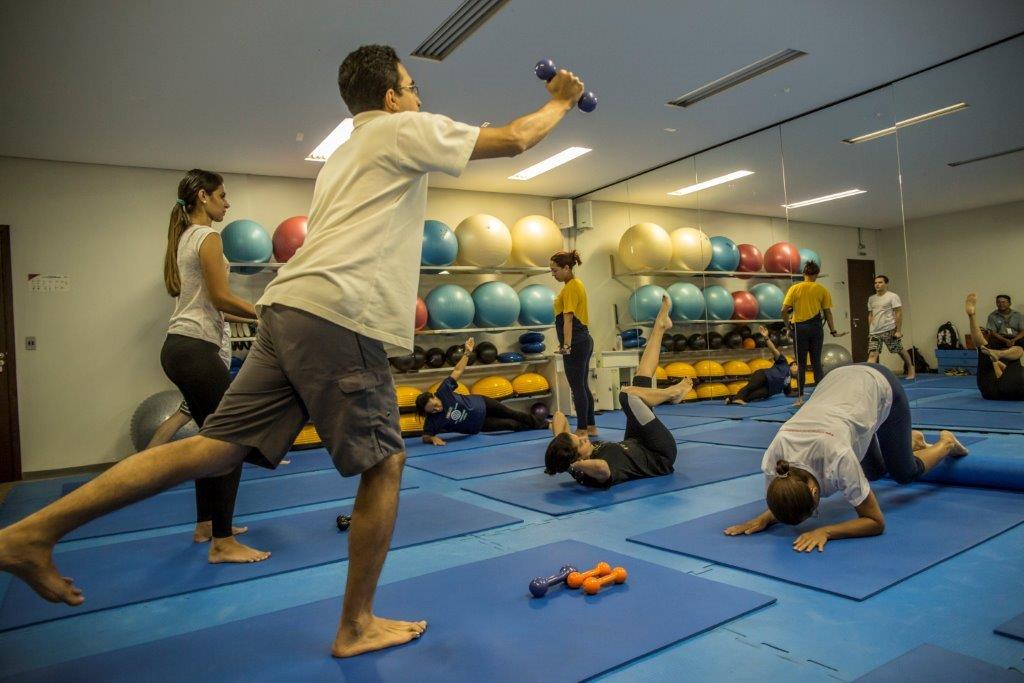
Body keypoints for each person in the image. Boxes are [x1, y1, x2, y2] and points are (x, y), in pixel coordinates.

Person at [0, 45, 584, 658]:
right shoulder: (401, 129)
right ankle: (356, 624)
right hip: (337, 315)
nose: (418, 99)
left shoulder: (343, 155)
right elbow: (517, 139)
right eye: (412, 88)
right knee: (385, 464)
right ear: (390, 98)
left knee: (211, 447)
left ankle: (35, 531)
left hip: (287, 309)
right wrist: (561, 102)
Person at [723, 363, 969, 552]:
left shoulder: (837, 457)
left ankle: (945, 443)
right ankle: (908, 441)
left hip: (879, 384)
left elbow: (875, 521)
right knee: (873, 472)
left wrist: (826, 531)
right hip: (840, 387)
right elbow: (785, 494)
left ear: (814, 493)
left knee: (903, 473)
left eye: (813, 512)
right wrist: (764, 519)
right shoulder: (776, 459)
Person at [161, 170, 268, 563]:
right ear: (203, 197)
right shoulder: (207, 237)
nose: (228, 203)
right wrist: (263, 311)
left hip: (181, 348)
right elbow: (221, 298)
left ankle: (207, 524)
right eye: (223, 196)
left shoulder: (186, 237)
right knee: (230, 440)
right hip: (192, 349)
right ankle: (223, 542)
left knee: (210, 438)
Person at [544, 296, 690, 488]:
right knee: (627, 395)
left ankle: (660, 326)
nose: (583, 437)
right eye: (580, 443)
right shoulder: (592, 472)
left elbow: (559, 416)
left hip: (635, 440)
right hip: (658, 454)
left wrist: (560, 440)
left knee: (639, 381)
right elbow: (603, 469)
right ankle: (672, 393)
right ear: (577, 459)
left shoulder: (574, 457)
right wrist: (575, 465)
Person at [415, 337, 545, 446]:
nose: (436, 409)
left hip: (482, 403)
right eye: (432, 410)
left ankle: (544, 424)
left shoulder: (443, 391)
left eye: (435, 405)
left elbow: (457, 371)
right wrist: (432, 439)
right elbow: (426, 436)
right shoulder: (432, 421)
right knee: (510, 424)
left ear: (435, 397)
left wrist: (466, 352)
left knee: (513, 413)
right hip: (479, 424)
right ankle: (535, 426)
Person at [781, 261, 846, 406]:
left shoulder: (794, 288)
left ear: (804, 273)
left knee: (801, 364)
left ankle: (799, 398)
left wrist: (788, 327)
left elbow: (783, 311)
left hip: (800, 329)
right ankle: (822, 398)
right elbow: (828, 312)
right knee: (816, 363)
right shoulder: (822, 289)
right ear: (816, 275)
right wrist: (833, 331)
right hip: (816, 328)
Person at [550, 250, 595, 437]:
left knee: (578, 387)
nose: (553, 274)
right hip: (582, 340)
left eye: (555, 270)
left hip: (576, 342)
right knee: (582, 386)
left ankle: (582, 430)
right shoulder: (575, 284)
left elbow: (568, 320)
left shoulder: (570, 288)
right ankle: (591, 427)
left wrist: (566, 346)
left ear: (567, 268)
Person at [965, 293, 1024, 400]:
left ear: (1009, 303)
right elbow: (992, 332)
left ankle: (971, 316)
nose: (1001, 304)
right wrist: (1005, 341)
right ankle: (999, 354)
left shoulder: (1018, 315)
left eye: (1003, 302)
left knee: (982, 346)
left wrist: (1013, 340)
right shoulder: (992, 316)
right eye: (998, 302)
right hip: (1000, 339)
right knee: (1018, 350)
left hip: (988, 391)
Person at [727, 325, 798, 404]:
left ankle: (731, 399)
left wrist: (801, 393)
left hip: (768, 390)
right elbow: (774, 350)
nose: (798, 370)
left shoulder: (787, 382)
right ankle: (737, 398)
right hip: (764, 376)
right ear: (793, 365)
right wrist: (766, 337)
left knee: (754, 395)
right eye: (797, 368)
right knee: (751, 387)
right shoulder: (783, 362)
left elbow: (789, 393)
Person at [866, 275, 916, 380]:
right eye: (875, 283)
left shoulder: (892, 296)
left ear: (886, 284)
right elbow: (870, 314)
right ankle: (868, 377)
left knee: (899, 350)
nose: (877, 285)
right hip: (875, 332)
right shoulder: (871, 298)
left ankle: (910, 367)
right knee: (872, 355)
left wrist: (898, 330)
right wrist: (870, 328)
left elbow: (898, 313)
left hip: (889, 329)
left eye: (880, 282)